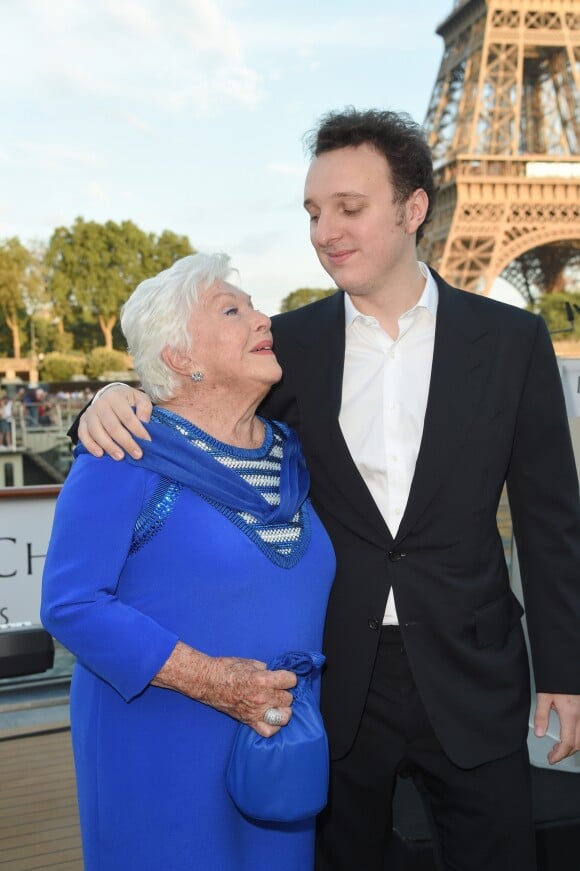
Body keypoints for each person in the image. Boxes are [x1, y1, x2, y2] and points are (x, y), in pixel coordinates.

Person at [72, 110, 580, 871]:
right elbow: (192, 405)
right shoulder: (289, 346)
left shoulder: (512, 342)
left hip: (473, 671)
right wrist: (103, 398)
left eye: (349, 207)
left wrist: (568, 678)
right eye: (313, 212)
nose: (325, 230)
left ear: (413, 210)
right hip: (333, 682)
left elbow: (551, 524)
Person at [42, 252, 335, 871]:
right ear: (180, 357)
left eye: (254, 306)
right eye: (233, 310)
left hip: (280, 748)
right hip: (160, 744)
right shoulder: (123, 451)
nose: (263, 320)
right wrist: (216, 682)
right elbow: (71, 603)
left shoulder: (292, 453)